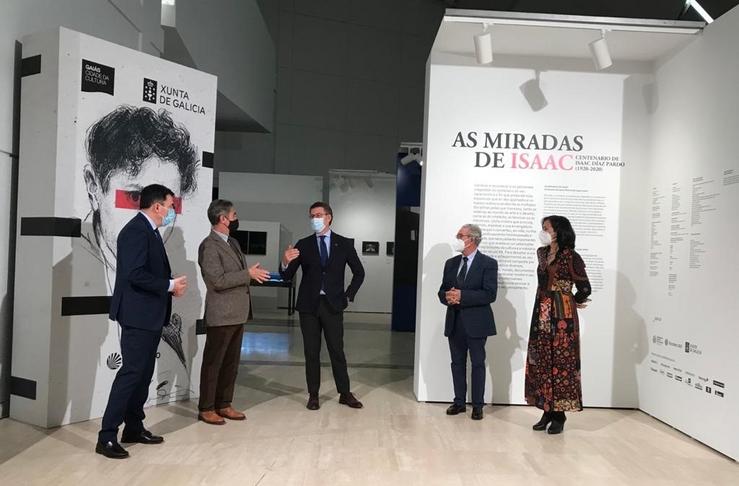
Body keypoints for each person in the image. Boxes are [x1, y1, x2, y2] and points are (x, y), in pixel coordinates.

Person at [96, 184, 188, 459]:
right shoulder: (136, 231)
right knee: (131, 374)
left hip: (149, 315)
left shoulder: (150, 230)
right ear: (157, 206)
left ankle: (133, 427)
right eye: (170, 207)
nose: (172, 212)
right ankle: (107, 435)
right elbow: (134, 274)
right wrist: (170, 285)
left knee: (143, 374)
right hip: (137, 315)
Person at [81, 105, 198, 292]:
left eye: (168, 204)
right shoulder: (69, 267)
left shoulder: (175, 263)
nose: (155, 216)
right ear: (93, 186)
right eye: (135, 197)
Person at [280, 202, 365, 410]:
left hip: (333, 305)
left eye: (319, 215)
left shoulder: (344, 244)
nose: (315, 219)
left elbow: (359, 273)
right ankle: (314, 395)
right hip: (309, 307)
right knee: (311, 352)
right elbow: (287, 276)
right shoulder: (303, 244)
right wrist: (285, 261)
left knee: (337, 350)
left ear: (329, 217)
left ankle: (345, 393)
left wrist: (348, 296)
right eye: (312, 216)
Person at [197, 200, 270, 425]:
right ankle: (207, 407)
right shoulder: (209, 245)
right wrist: (247, 274)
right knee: (214, 362)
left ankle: (224, 404)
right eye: (234, 214)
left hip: (238, 313)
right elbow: (217, 280)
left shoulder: (234, 243)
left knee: (231, 363)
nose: (237, 218)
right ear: (223, 219)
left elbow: (239, 275)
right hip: (221, 314)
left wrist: (251, 275)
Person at [525, 215, 591, 434]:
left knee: (561, 361)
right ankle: (547, 409)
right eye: (542, 228)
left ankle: (559, 415)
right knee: (542, 359)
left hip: (563, 315)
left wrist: (576, 301)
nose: (543, 231)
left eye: (547, 228)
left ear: (558, 231)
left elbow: (584, 287)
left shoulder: (571, 256)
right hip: (541, 311)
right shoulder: (542, 253)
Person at [438, 224, 498, 420]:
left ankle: (478, 405)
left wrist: (462, 296)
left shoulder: (488, 263)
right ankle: (459, 402)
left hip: (477, 323)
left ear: (471, 239)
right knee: (457, 363)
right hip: (454, 321)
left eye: (460, 235)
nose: (457, 237)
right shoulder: (451, 263)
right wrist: (448, 296)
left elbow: (489, 294)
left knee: (478, 364)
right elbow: (442, 291)